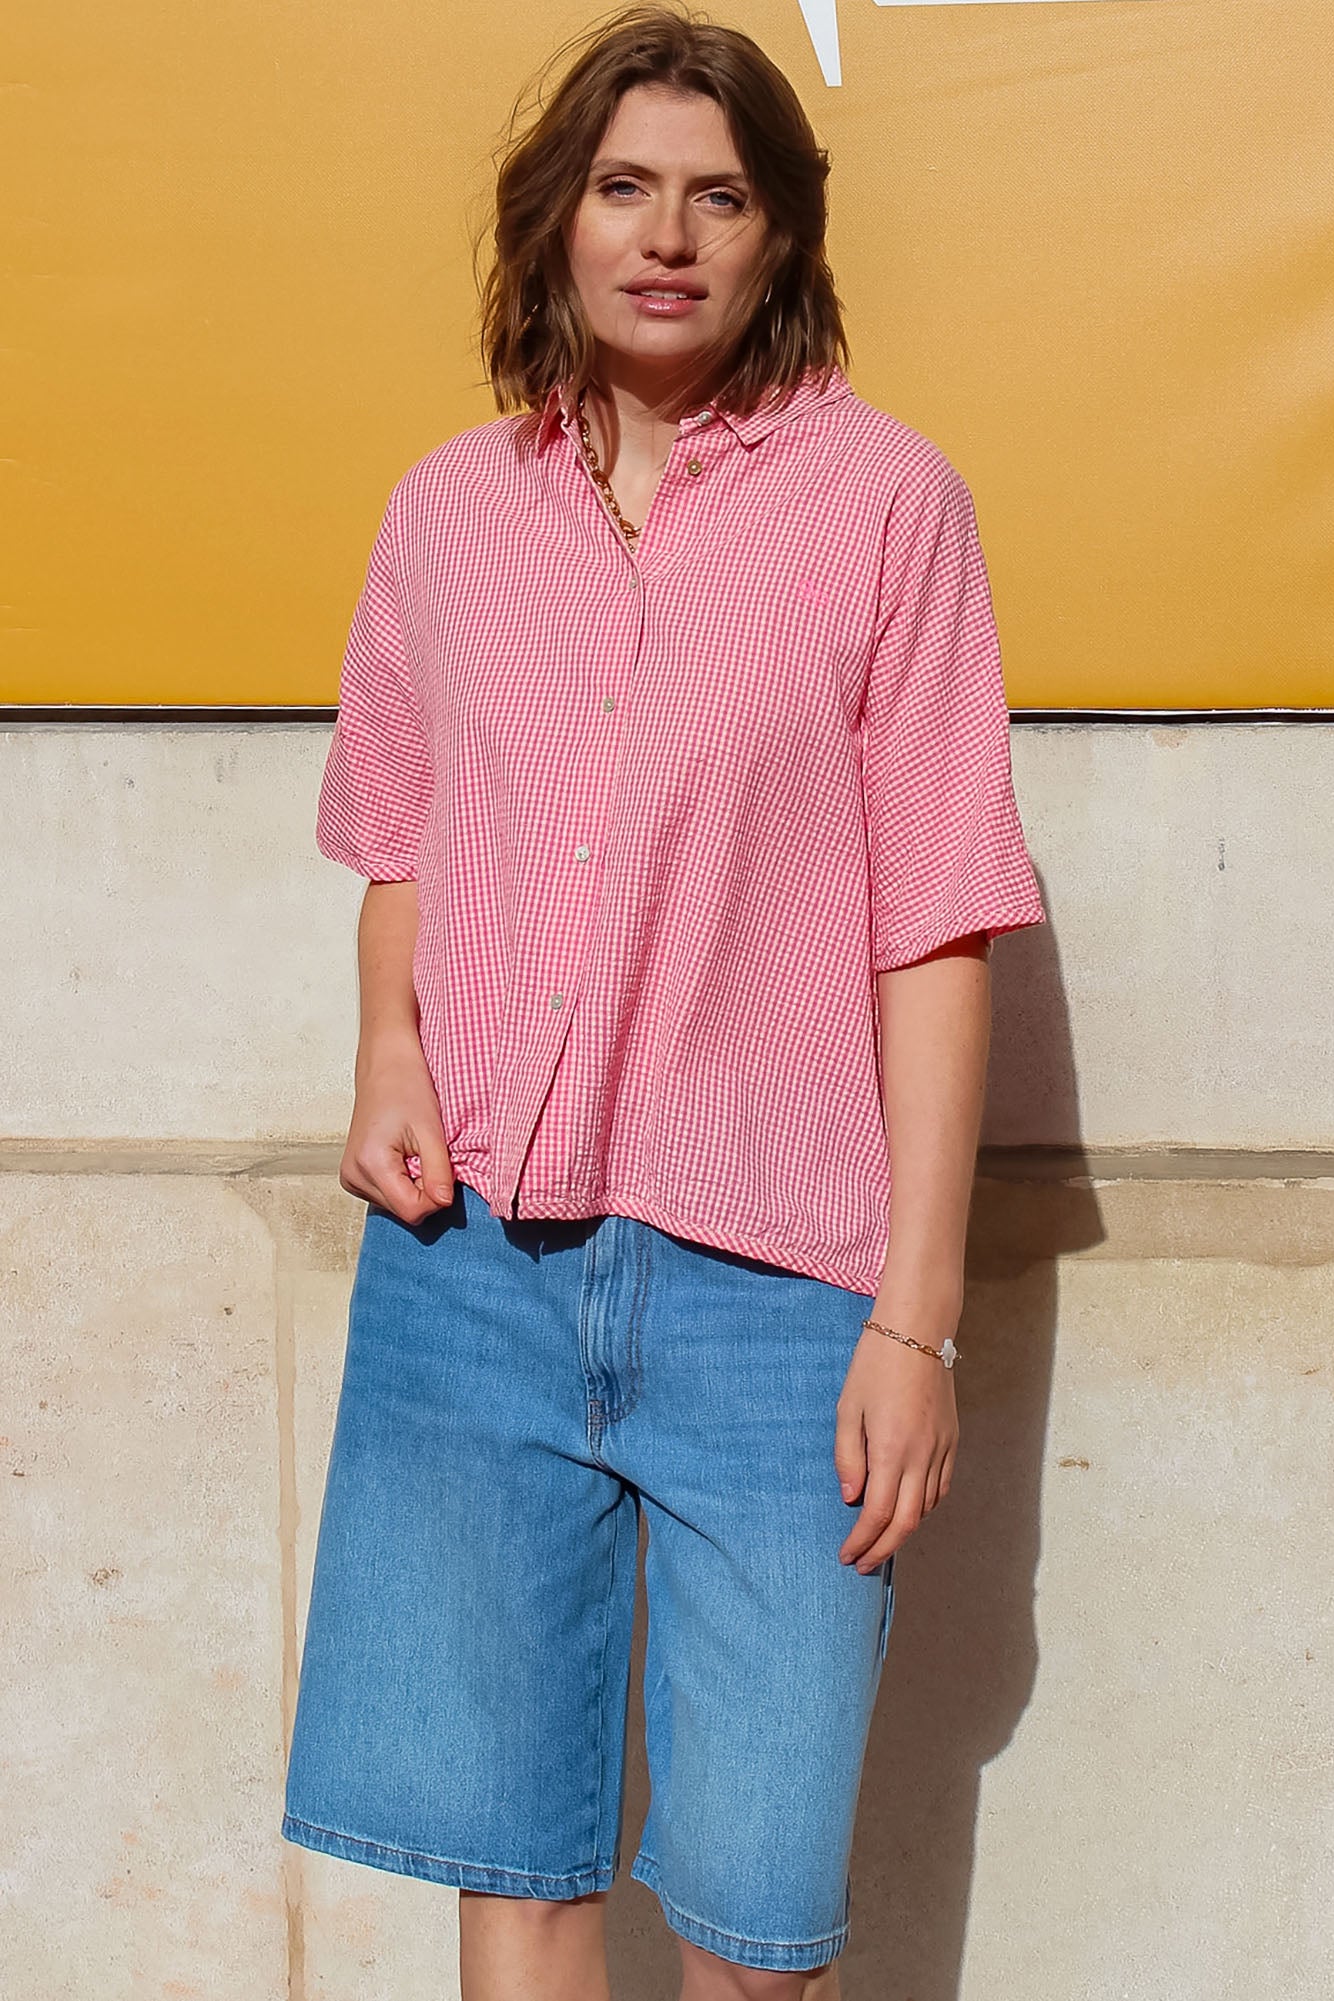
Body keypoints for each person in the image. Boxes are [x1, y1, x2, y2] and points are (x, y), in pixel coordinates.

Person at [281, 6, 1047, 1997]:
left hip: (778, 1294)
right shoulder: (448, 512)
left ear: (783, 234)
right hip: (472, 1273)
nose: (669, 236)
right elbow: (405, 831)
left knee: (755, 1920)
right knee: (513, 1871)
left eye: (720, 196)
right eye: (625, 187)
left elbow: (935, 926)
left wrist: (915, 1320)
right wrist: (387, 1049)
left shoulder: (888, 505)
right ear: (558, 216)